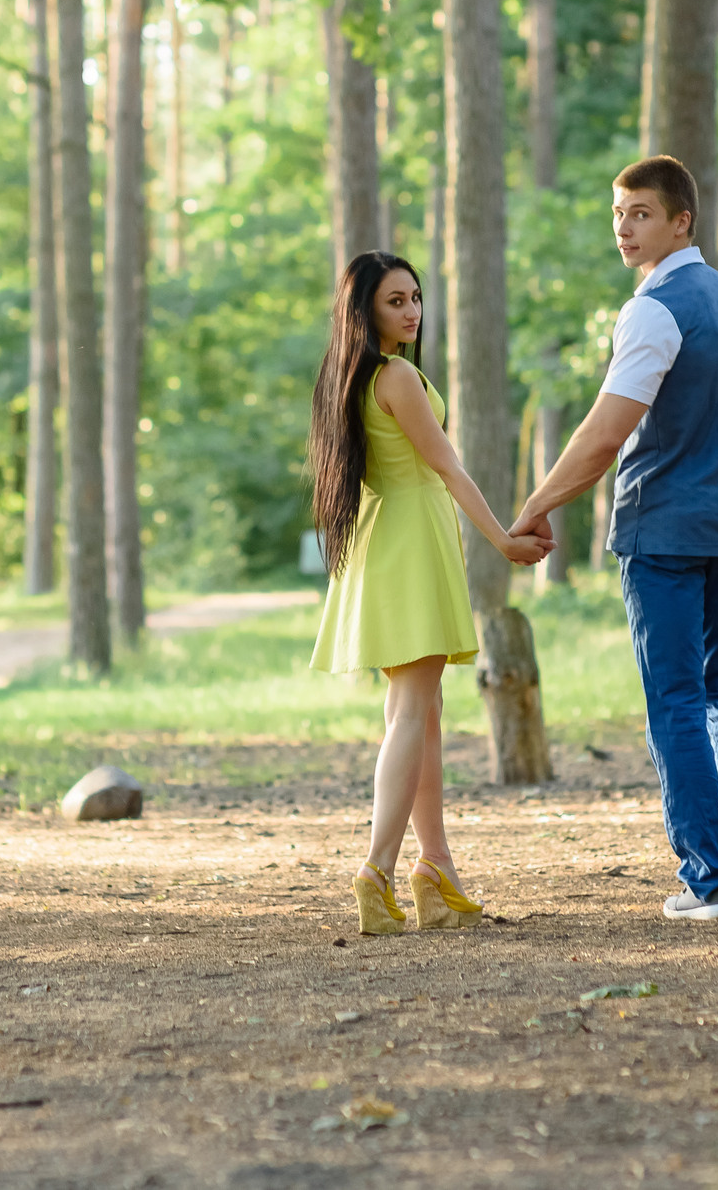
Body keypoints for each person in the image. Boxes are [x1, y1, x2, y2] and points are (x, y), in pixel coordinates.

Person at [511, 157, 718, 920]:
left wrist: (536, 504)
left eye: (640, 213)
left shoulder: (654, 308)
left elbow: (606, 434)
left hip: (666, 529)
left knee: (676, 697)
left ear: (681, 221)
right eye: (619, 213)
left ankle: (709, 878)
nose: (625, 227)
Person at [308, 250, 550, 935]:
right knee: (412, 711)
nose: (411, 310)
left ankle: (433, 870)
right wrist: (504, 539)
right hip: (409, 539)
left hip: (387, 539)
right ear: (366, 310)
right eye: (395, 301)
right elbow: (446, 465)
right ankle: (377, 871)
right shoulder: (398, 376)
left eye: (415, 297)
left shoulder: (350, 377)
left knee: (422, 711)